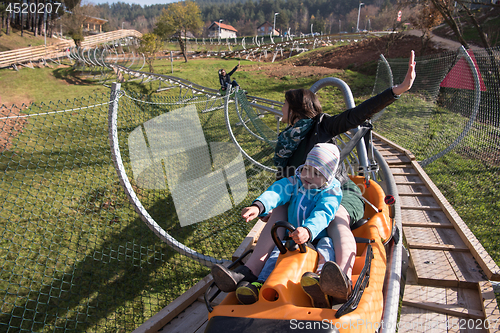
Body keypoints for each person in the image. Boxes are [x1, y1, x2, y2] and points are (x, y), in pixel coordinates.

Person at [211, 50, 416, 306]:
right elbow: (284, 182)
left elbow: (357, 114)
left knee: (336, 217)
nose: (281, 109)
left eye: (285, 104)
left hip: (335, 191)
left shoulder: (322, 126)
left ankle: (339, 273)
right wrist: (264, 205)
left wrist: (396, 91)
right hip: (304, 192)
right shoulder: (287, 141)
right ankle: (249, 270)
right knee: (279, 210)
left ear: (296, 108)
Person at [215, 143, 342, 307]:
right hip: (291, 237)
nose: (308, 175)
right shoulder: (295, 182)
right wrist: (259, 206)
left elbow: (324, 213)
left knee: (327, 247)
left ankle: (320, 279)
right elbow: (277, 191)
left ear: (327, 178)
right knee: (277, 251)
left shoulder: (330, 192)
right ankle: (261, 283)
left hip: (316, 238)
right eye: (306, 169)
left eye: (316, 173)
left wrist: (308, 230)